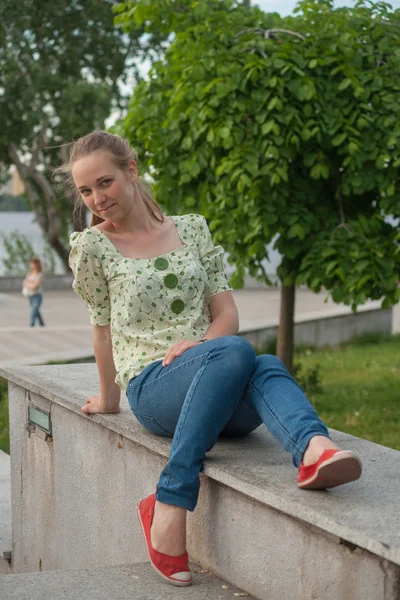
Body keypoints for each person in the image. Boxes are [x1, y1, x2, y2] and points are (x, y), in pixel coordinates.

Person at [63, 131, 362, 588]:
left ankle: (314, 452)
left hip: (217, 380)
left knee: (256, 362)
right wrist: (108, 398)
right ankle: (173, 498)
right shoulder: (92, 247)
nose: (97, 199)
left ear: (131, 170)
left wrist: (205, 346)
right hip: (155, 385)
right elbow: (101, 327)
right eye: (86, 191)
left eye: (104, 182)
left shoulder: (193, 229)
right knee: (244, 354)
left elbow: (226, 314)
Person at [22, 257, 45, 327]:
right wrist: (30, 284)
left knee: (34, 310)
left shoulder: (40, 274)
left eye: (33, 264)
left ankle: (32, 324)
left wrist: (29, 284)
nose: (32, 265)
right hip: (30, 295)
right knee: (36, 310)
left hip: (37, 295)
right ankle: (42, 323)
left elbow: (35, 285)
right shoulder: (30, 273)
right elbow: (24, 282)